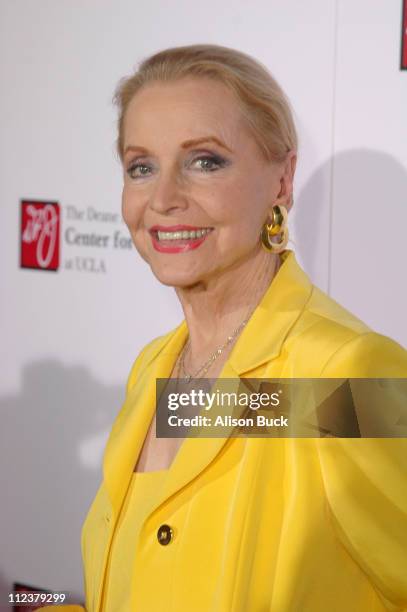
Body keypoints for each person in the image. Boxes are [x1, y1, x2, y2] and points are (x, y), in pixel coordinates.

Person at [43, 44, 407, 611]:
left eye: (204, 161)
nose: (162, 199)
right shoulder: (154, 368)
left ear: (282, 181)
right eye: (142, 167)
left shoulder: (346, 373)